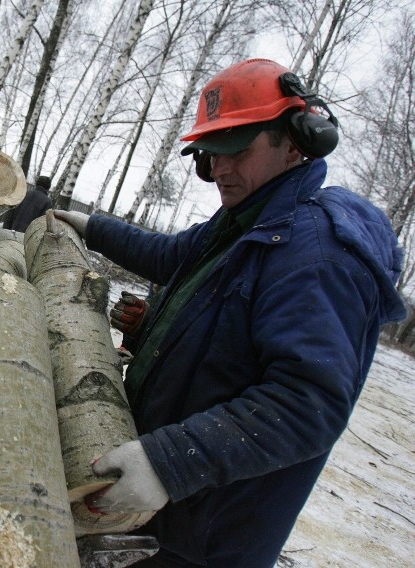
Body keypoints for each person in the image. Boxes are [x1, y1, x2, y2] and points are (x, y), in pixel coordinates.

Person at [54, 58, 407, 567]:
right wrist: (91, 226)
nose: (219, 169)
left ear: (295, 141)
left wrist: (168, 463)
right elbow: (168, 253)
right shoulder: (246, 222)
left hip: (205, 539)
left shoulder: (317, 253)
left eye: (235, 150)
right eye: (209, 155)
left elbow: (308, 404)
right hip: (166, 511)